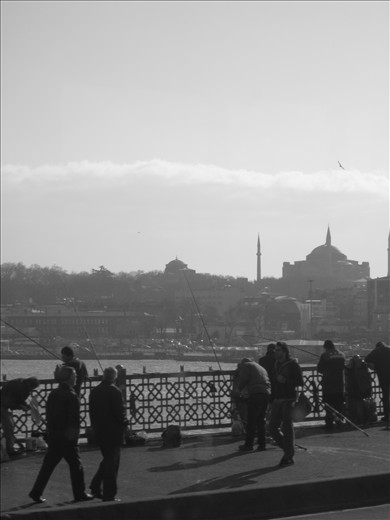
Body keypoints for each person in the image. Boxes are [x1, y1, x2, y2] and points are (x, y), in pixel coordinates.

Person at [28, 366, 93, 504]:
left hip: (54, 435)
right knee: (76, 466)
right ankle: (79, 493)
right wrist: (74, 437)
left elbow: (49, 414)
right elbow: (73, 419)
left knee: (48, 465)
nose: (76, 377)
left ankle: (36, 492)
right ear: (70, 378)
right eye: (75, 375)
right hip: (66, 437)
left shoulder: (53, 393)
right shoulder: (71, 395)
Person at [89, 366, 129, 502]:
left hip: (99, 431)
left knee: (107, 460)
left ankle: (95, 486)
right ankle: (109, 495)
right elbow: (119, 413)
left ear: (103, 376)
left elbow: (92, 413)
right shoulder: (115, 391)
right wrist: (125, 422)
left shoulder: (94, 391)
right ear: (114, 377)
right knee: (112, 464)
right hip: (113, 432)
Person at [269, 341, 303, 466]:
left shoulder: (293, 364)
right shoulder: (276, 363)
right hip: (278, 399)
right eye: (275, 350)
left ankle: (288, 455)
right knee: (272, 428)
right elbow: (274, 382)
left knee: (287, 427)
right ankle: (289, 451)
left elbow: (300, 381)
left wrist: (286, 380)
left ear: (285, 351)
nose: (276, 352)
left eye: (278, 350)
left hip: (289, 399)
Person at [236, 358, 270, 452]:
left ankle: (248, 445)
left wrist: (238, 390)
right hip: (266, 393)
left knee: (251, 421)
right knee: (260, 420)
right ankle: (262, 445)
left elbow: (244, 379)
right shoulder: (260, 367)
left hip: (256, 393)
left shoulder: (246, 365)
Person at [0, 377, 40, 456]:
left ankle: (6, 447)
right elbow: (7, 402)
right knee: (9, 427)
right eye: (32, 388)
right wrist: (21, 407)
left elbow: (19, 399)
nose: (31, 390)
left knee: (9, 427)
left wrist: (25, 405)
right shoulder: (16, 386)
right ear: (28, 384)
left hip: (5, 406)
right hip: (2, 406)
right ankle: (9, 449)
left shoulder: (23, 387)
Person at [317, 340, 346, 430]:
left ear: (325, 347)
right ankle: (339, 422)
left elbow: (319, 369)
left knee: (328, 405)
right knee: (339, 404)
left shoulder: (325, 355)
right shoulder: (342, 355)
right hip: (340, 384)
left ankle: (329, 424)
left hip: (328, 384)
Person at [365, 341, 390, 425]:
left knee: (385, 396)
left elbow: (367, 359)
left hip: (383, 377)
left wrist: (374, 366)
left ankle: (387, 416)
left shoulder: (376, 351)